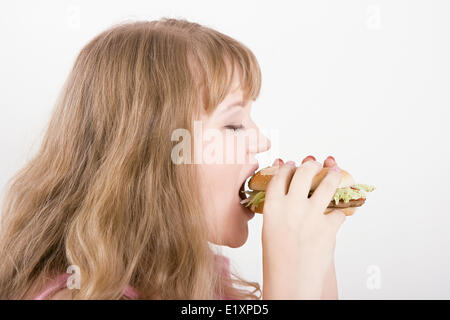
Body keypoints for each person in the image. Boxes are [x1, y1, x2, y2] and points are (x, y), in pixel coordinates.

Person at [0, 18, 345, 299]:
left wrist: (315, 252)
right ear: (153, 154)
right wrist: (285, 274)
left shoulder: (200, 284)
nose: (261, 140)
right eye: (234, 124)